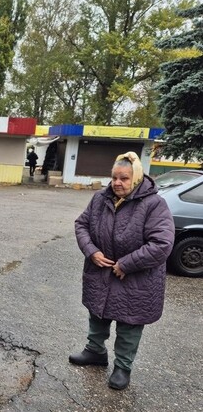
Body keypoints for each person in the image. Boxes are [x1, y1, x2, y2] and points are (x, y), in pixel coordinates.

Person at [70, 151, 174, 390]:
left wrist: (126, 264)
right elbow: (81, 224)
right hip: (101, 271)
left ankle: (122, 367)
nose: (117, 183)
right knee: (98, 314)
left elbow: (162, 244)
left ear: (136, 178)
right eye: (115, 177)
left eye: (124, 178)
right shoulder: (100, 198)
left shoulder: (154, 204)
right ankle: (95, 352)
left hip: (136, 278)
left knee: (129, 324)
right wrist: (91, 251)